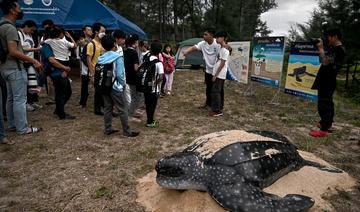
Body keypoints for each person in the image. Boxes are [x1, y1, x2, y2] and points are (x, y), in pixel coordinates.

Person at [0, 0, 42, 135]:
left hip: (5, 67)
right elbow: (13, 51)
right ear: (12, 10)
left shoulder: (1, 25)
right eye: (18, 7)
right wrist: (32, 60)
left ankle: (13, 125)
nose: (21, 9)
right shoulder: (10, 28)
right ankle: (23, 128)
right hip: (15, 68)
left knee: (11, 98)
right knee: (20, 99)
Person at [97, 35, 139, 137]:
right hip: (115, 87)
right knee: (122, 109)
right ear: (114, 44)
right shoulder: (117, 57)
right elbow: (120, 75)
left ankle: (108, 128)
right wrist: (123, 85)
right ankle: (127, 132)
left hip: (104, 86)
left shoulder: (101, 57)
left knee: (108, 108)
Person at [309, 28, 346, 138]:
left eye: (329, 37)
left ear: (335, 36)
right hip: (326, 80)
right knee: (328, 102)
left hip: (327, 80)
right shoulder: (334, 49)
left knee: (324, 104)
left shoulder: (339, 50)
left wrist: (320, 49)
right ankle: (327, 123)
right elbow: (322, 60)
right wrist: (321, 49)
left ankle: (323, 129)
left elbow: (325, 62)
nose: (328, 39)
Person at [41, 26, 74, 120]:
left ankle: (59, 110)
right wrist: (65, 68)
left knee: (67, 92)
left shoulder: (49, 43)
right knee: (61, 93)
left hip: (61, 71)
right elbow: (51, 60)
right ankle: (61, 114)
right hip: (57, 72)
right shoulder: (47, 45)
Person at [183, 27, 220, 109]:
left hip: (217, 71)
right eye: (204, 34)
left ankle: (217, 107)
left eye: (205, 34)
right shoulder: (203, 43)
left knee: (216, 90)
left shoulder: (217, 44)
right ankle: (208, 104)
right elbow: (194, 47)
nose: (203, 36)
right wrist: (186, 51)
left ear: (211, 35)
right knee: (208, 88)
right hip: (208, 71)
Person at [18, 20, 42, 111]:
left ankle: (32, 101)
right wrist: (36, 49)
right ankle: (26, 103)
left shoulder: (29, 35)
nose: (32, 32)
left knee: (32, 83)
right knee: (26, 84)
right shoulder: (19, 33)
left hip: (30, 62)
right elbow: (22, 48)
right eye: (31, 30)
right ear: (26, 26)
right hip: (24, 62)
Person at [209, 31, 230, 117]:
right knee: (218, 91)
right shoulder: (221, 48)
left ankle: (217, 111)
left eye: (218, 37)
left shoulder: (225, 50)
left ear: (223, 38)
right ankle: (219, 107)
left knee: (216, 92)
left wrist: (215, 75)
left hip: (220, 74)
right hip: (217, 73)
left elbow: (222, 64)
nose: (216, 39)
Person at [144, 41, 164, 128]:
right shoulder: (159, 63)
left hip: (145, 86)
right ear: (160, 51)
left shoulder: (146, 59)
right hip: (153, 88)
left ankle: (149, 119)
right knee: (152, 105)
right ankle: (150, 121)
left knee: (147, 104)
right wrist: (155, 83)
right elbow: (161, 77)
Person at [88, 22, 106, 115]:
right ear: (96, 31)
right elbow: (89, 60)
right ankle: (97, 109)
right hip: (96, 71)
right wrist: (92, 74)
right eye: (102, 31)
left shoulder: (103, 43)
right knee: (98, 91)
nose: (104, 33)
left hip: (103, 70)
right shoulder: (91, 44)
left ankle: (103, 108)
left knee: (102, 90)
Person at [124, 33, 142, 122]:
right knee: (135, 97)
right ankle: (130, 115)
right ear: (135, 42)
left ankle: (133, 111)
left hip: (126, 77)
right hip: (133, 78)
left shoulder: (125, 51)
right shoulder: (134, 52)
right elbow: (136, 68)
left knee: (131, 96)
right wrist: (142, 67)